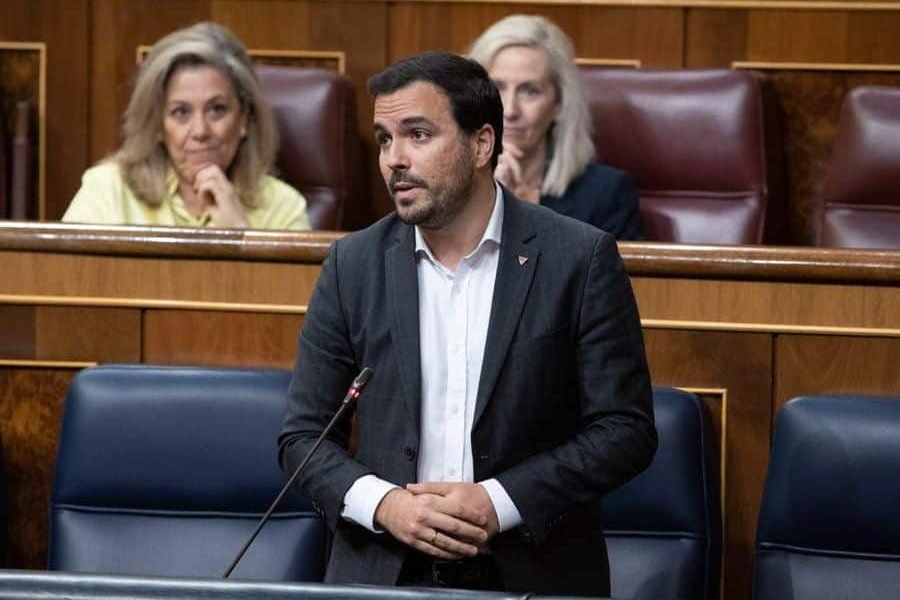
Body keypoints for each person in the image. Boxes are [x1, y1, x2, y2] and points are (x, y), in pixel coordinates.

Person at [278, 51, 656, 596]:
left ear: (481, 144)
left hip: (529, 570)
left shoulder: (578, 257)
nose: (395, 160)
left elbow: (624, 431)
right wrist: (385, 505)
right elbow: (302, 438)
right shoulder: (352, 265)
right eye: (385, 139)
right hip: (385, 572)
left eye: (418, 134)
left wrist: (498, 501)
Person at [63, 22, 310, 230]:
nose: (201, 131)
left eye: (217, 110)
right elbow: (67, 284)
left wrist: (239, 236)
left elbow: (290, 290)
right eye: (180, 112)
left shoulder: (283, 207)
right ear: (158, 125)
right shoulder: (108, 190)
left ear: (243, 118)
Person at [469, 15, 642, 240]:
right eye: (497, 88)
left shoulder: (606, 194)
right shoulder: (449, 187)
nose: (510, 110)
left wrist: (509, 210)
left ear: (559, 104)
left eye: (529, 91)